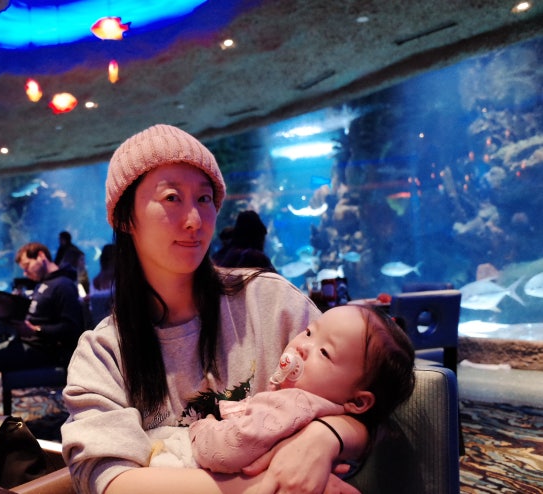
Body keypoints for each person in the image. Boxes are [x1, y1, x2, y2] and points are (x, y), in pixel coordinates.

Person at [61, 124, 368, 494]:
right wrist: (266, 482)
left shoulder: (270, 302)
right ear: (126, 218)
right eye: (172, 197)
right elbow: (111, 481)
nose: (194, 220)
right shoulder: (104, 352)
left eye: (204, 199)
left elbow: (366, 403)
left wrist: (327, 435)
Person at [146, 304, 416, 473]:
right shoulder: (315, 407)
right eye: (309, 332)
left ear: (358, 402)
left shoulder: (295, 404)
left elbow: (227, 450)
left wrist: (201, 428)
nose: (303, 346)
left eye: (324, 352)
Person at [0, 242, 85, 419]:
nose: (25, 273)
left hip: (44, 350)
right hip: (26, 344)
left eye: (27, 266)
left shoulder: (64, 285)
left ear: (41, 256)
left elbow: (72, 328)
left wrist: (36, 330)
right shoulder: (44, 284)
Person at [55, 231, 90, 296]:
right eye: (82, 260)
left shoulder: (72, 250)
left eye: (61, 239)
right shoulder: (62, 250)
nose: (59, 241)